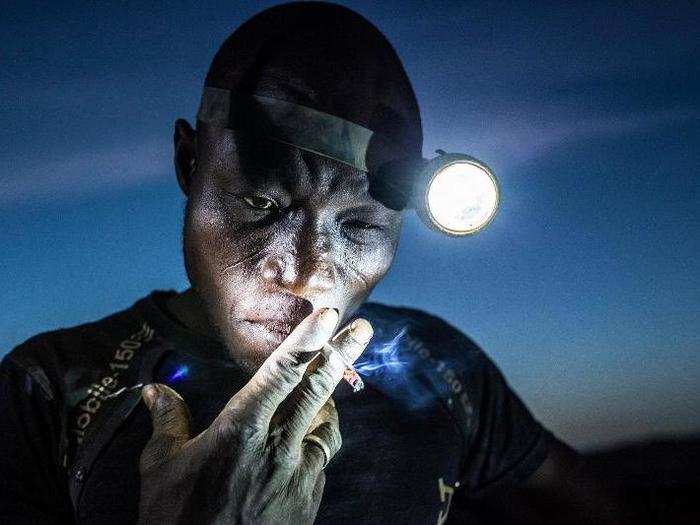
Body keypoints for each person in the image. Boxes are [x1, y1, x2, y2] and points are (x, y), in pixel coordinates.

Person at [0, 3, 645, 524]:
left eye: (359, 225)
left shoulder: (440, 368)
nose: (309, 272)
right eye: (260, 205)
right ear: (188, 163)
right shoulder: (43, 392)